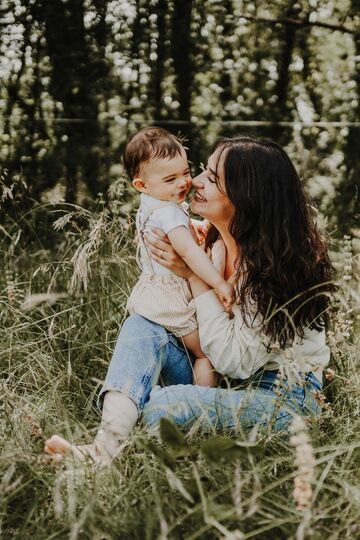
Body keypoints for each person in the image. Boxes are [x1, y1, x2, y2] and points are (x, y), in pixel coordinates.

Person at [44, 135, 336, 464]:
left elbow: (233, 360)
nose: (193, 181)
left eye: (211, 178)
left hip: (281, 398)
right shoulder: (214, 242)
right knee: (143, 327)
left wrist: (192, 275)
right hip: (221, 380)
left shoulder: (277, 268)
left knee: (164, 409)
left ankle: (151, 418)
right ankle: (102, 451)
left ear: (246, 196)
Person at [124, 127, 234, 388]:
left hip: (152, 295)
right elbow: (189, 253)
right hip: (172, 301)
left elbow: (176, 232)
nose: (184, 183)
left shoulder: (152, 203)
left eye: (185, 173)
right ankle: (199, 406)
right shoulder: (169, 213)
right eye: (171, 179)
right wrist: (220, 284)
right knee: (206, 353)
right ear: (141, 184)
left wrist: (193, 227)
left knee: (169, 349)